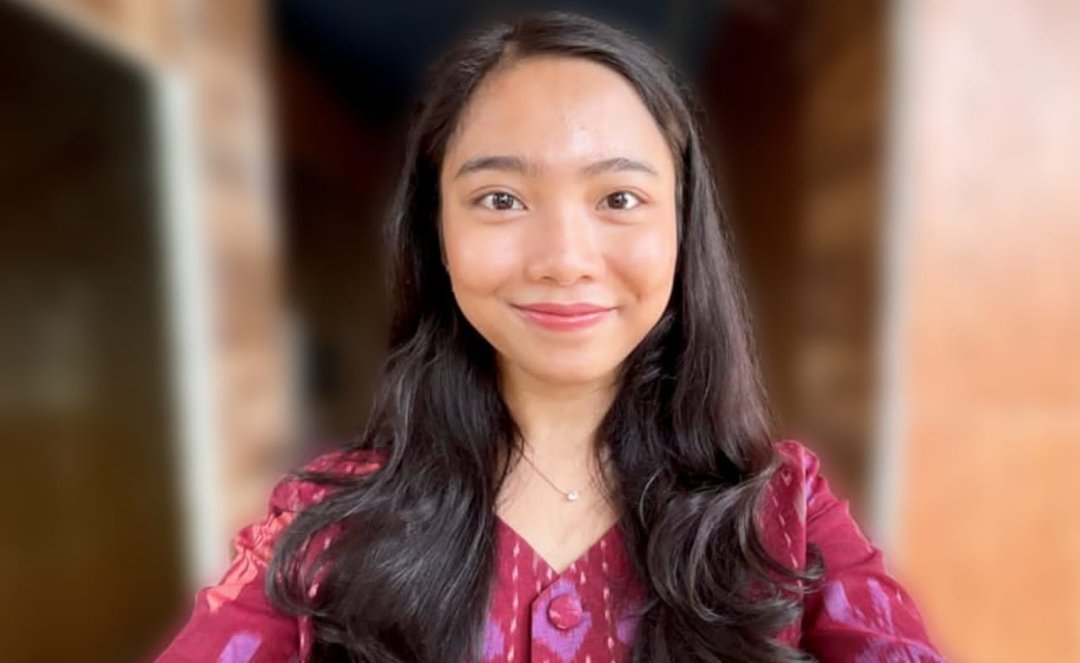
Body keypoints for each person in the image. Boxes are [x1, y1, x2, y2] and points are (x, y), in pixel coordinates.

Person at [154, 10, 946, 663]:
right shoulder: (323, 523)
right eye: (501, 198)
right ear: (437, 234)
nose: (565, 259)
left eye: (619, 198)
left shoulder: (785, 513)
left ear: (682, 230)